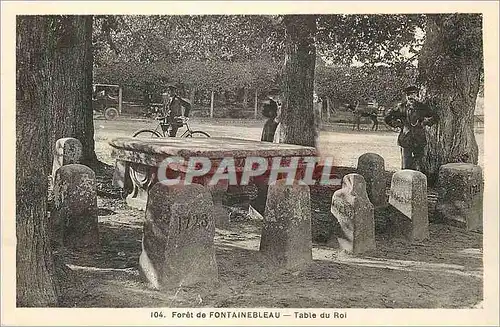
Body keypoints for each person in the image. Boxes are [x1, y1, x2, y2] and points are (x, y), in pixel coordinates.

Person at [384, 85, 439, 171]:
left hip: (419, 139)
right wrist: (397, 124)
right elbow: (387, 118)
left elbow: (435, 117)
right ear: (406, 96)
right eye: (408, 95)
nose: (411, 97)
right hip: (406, 139)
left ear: (417, 95)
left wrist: (426, 122)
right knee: (405, 164)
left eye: (413, 94)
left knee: (420, 164)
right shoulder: (401, 107)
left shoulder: (422, 107)